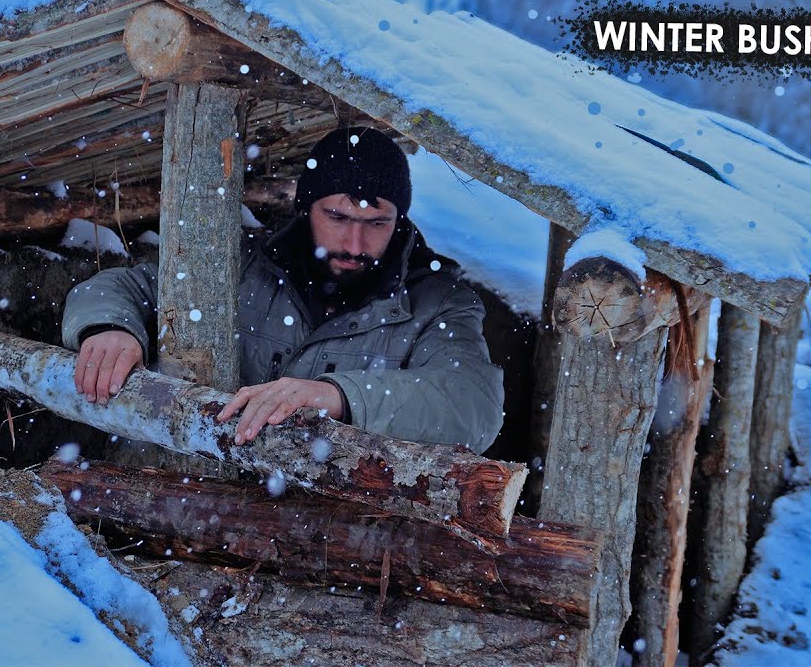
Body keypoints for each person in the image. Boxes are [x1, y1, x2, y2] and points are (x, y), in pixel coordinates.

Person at [62, 127, 504, 452]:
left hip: (328, 547)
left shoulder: (438, 301)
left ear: (400, 219)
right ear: (306, 208)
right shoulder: (241, 263)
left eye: (376, 224)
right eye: (337, 217)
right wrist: (109, 327)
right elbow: (124, 286)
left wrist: (339, 396)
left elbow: (472, 407)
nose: (355, 244)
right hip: (169, 507)